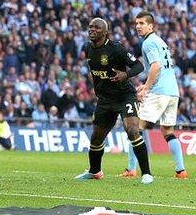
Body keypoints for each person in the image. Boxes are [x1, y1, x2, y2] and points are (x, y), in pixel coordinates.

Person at [75, 18, 153, 184]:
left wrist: (126, 74)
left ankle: (146, 173)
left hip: (124, 96)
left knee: (132, 130)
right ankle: (95, 172)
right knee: (96, 138)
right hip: (105, 99)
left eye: (96, 27)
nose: (91, 30)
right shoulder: (88, 48)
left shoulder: (116, 48)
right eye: (90, 27)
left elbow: (139, 66)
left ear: (105, 32)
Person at [120, 12, 187, 179]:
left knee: (135, 128)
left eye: (142, 23)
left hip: (159, 91)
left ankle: (131, 169)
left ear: (151, 26)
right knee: (167, 131)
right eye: (136, 23)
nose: (138, 26)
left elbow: (156, 67)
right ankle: (181, 171)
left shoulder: (149, 43)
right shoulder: (160, 41)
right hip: (173, 92)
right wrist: (147, 85)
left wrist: (146, 88)